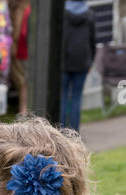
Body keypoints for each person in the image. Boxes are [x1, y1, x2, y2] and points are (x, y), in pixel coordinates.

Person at [60, 0, 96, 132]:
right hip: (82, 62)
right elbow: (92, 41)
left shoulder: (62, 13)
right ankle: (74, 133)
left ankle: (61, 132)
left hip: (64, 61)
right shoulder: (90, 15)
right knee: (76, 97)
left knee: (62, 97)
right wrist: (90, 61)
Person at [8, 0, 31, 116]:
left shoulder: (20, 8)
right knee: (23, 80)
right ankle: (24, 109)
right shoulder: (25, 7)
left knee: (22, 81)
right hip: (23, 49)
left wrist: (14, 45)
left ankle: (23, 110)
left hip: (21, 50)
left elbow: (19, 31)